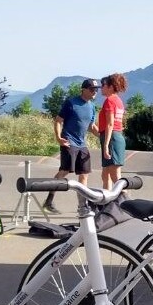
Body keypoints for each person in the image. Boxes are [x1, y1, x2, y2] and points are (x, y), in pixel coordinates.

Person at [43, 78, 100, 212]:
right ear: (84, 89)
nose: (94, 92)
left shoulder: (92, 106)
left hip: (82, 144)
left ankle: (82, 205)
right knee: (64, 171)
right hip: (69, 141)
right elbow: (58, 121)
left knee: (84, 174)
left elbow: (91, 127)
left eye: (96, 90)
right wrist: (58, 138)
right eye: (92, 89)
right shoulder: (71, 103)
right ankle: (49, 201)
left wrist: (103, 137)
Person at [98, 73, 128, 190]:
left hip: (112, 138)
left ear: (110, 87)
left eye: (103, 85)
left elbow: (110, 124)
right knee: (105, 175)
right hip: (115, 136)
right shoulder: (118, 101)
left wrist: (106, 145)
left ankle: (125, 202)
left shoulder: (110, 101)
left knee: (115, 176)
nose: (101, 87)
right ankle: (108, 203)